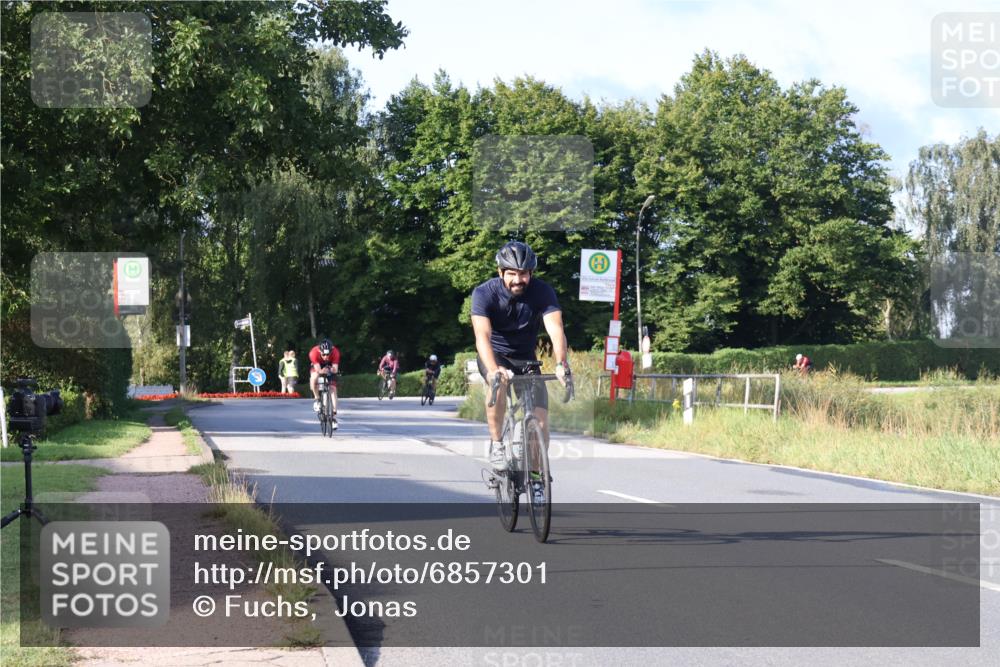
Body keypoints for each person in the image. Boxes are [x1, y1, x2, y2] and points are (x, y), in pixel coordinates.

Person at [470, 241, 569, 473]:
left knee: (540, 422)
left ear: (531, 273)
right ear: (500, 272)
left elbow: (555, 329)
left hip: (526, 358)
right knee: (498, 383)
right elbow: (482, 336)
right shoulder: (484, 293)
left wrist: (561, 364)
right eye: (512, 274)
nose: (518, 280)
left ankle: (535, 477)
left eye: (523, 274)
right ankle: (497, 444)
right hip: (495, 355)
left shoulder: (543, 292)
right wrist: (493, 369)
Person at [309, 339, 340, 429]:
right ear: (320, 351)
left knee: (333, 388)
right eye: (323, 354)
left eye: (328, 354)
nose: (326, 356)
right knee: (314, 377)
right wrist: (321, 371)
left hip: (330, 365)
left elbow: (335, 369)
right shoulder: (313, 353)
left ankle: (333, 415)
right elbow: (318, 370)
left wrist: (330, 370)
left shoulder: (335, 352)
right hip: (318, 365)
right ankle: (317, 398)